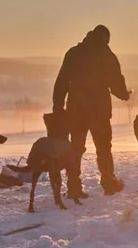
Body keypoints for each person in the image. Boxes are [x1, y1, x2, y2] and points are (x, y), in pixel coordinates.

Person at [52, 25, 131, 197]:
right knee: (103, 147)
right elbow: (116, 81)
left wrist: (58, 106)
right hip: (99, 110)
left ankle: (73, 187)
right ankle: (109, 183)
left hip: (76, 109)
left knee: (76, 148)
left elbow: (62, 81)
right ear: (106, 39)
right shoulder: (107, 55)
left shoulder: (73, 53)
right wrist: (125, 94)